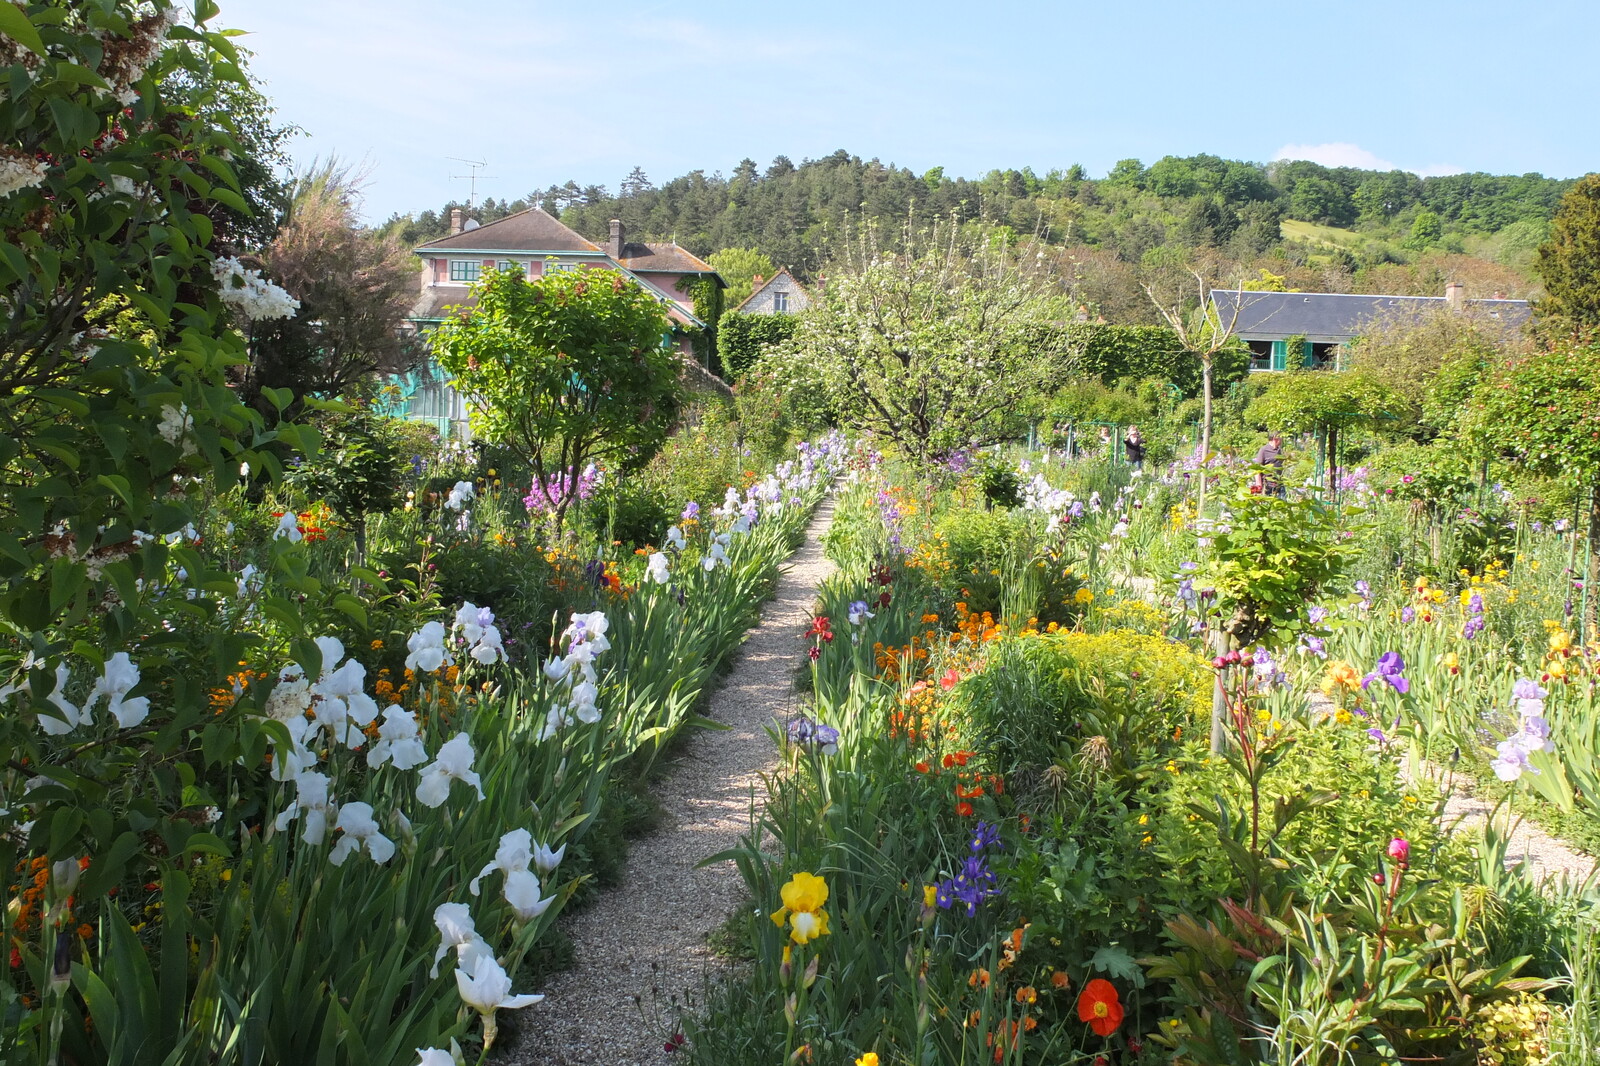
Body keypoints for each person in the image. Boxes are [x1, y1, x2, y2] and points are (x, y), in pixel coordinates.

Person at [1253, 433, 1285, 497]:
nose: (1282, 440)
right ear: (1275, 439)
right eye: (1281, 438)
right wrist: (1259, 486)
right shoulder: (1264, 450)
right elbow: (1257, 469)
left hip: (1279, 484)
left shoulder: (1279, 450)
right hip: (1267, 485)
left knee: (1283, 504)